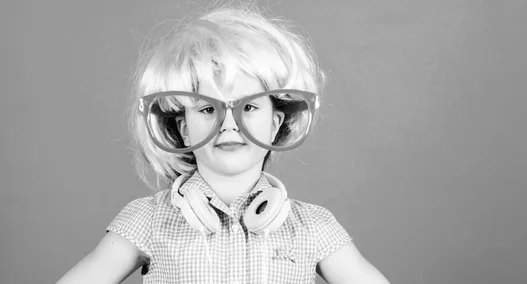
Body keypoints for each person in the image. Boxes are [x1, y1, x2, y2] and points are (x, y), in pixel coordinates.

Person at [57, 3, 390, 284]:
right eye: (207, 108)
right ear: (184, 128)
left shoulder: (313, 227)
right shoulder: (147, 219)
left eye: (248, 106)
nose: (229, 124)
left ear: (275, 124)